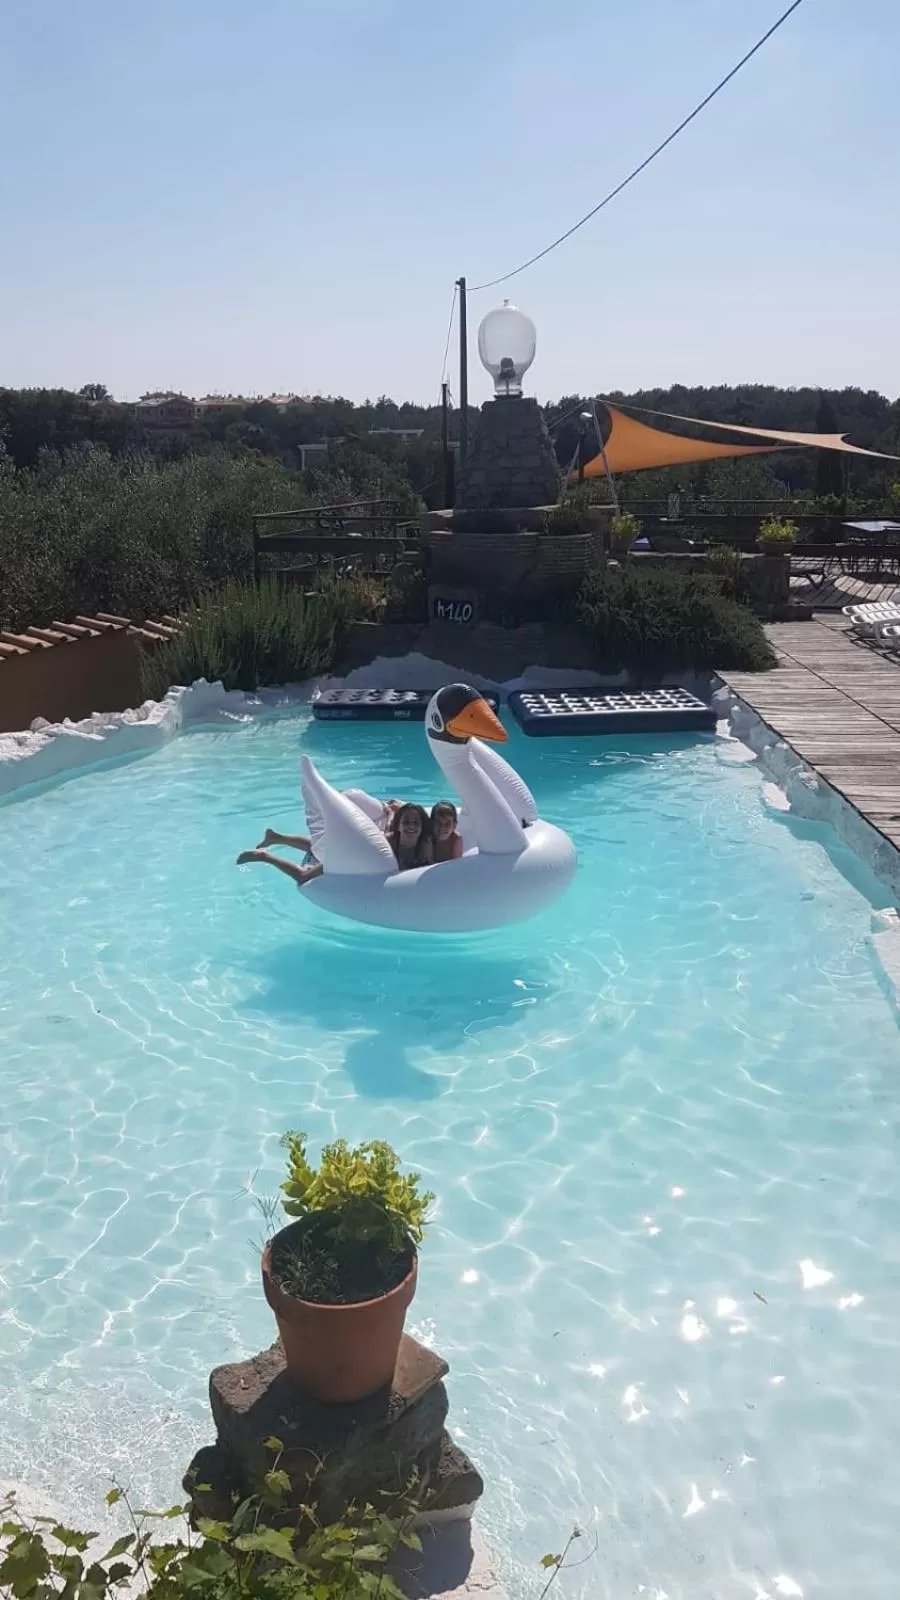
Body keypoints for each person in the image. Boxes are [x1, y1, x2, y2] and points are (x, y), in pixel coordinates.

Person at [386, 803, 433, 871]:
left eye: (416, 822)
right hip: (392, 834)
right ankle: (390, 813)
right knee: (388, 826)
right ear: (398, 826)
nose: (411, 826)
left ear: (422, 826)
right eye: (406, 822)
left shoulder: (425, 844)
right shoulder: (389, 841)